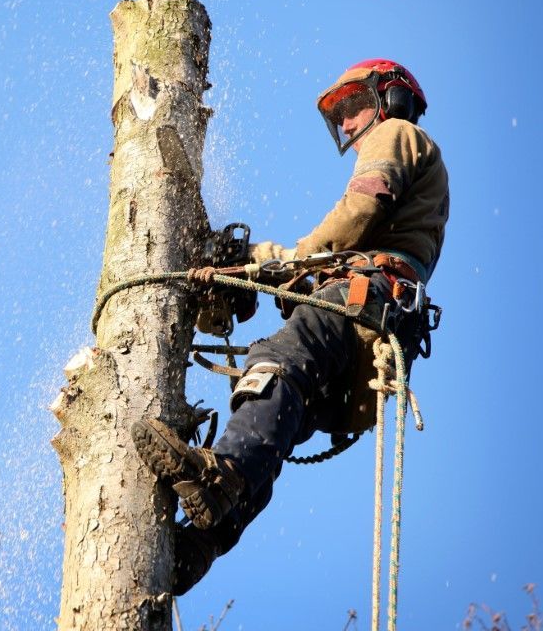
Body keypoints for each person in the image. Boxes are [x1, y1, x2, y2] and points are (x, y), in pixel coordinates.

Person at [132, 59, 450, 594]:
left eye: (354, 108)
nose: (348, 126)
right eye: (339, 116)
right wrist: (250, 264)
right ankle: (205, 541)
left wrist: (294, 261)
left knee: (273, 363)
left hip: (363, 301)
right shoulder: (399, 212)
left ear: (391, 99)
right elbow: (320, 257)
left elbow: (358, 211)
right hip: (367, 346)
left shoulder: (398, 134)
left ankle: (220, 480)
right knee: (281, 409)